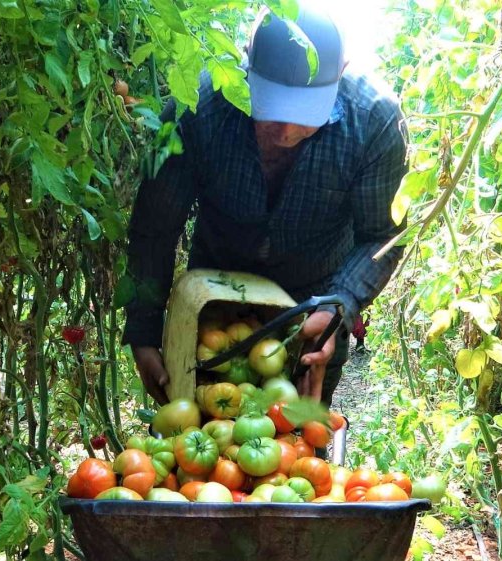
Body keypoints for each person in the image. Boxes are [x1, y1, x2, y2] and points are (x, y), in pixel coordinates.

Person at [123, 2, 408, 406]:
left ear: (340, 74)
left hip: (313, 308)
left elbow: (383, 236)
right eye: (270, 110)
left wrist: (337, 305)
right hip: (211, 305)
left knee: (300, 446)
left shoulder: (376, 123)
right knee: (197, 439)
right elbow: (154, 228)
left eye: (305, 115)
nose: (286, 131)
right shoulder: (194, 109)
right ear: (246, 66)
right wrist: (144, 332)